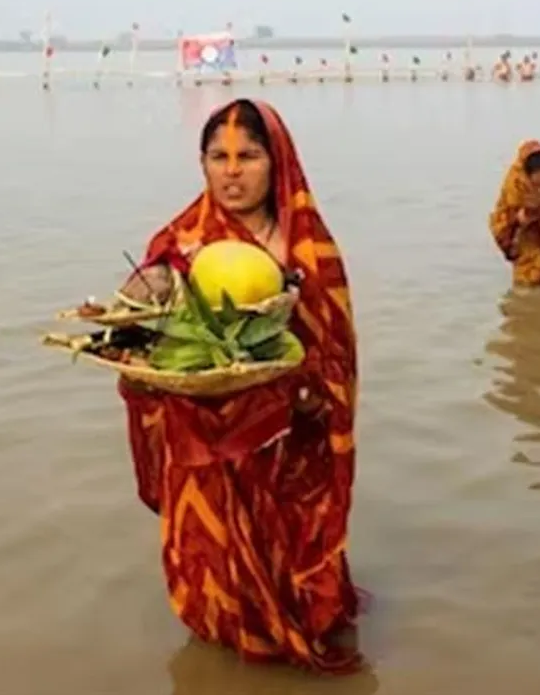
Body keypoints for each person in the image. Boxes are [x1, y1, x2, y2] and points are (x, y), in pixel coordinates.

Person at [116, 99, 363, 674]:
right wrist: (136, 322)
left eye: (248, 156)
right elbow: (141, 337)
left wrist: (307, 392)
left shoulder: (309, 248)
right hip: (203, 436)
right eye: (218, 157)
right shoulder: (178, 242)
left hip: (288, 434)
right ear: (201, 163)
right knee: (212, 555)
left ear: (277, 163)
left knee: (296, 556)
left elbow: (335, 350)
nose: (232, 171)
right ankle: (230, 650)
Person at [489, 141, 540, 285]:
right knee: (528, 286)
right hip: (527, 247)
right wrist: (518, 222)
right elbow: (502, 227)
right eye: (537, 186)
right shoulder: (517, 185)